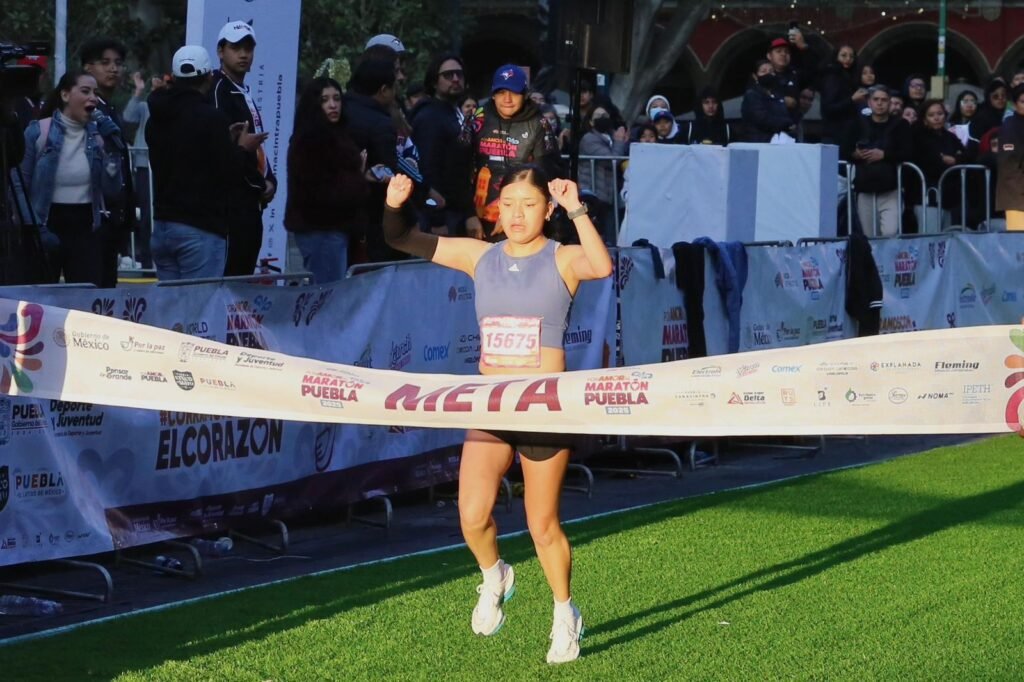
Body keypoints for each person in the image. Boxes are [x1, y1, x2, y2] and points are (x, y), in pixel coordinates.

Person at [383, 164, 612, 664]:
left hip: (542, 410)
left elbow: (601, 266)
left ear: (546, 210)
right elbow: (401, 238)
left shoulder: (562, 257)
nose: (516, 214)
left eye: (528, 205)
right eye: (507, 204)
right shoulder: (480, 256)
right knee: (471, 515)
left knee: (542, 525)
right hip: (491, 405)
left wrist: (576, 209)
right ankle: (495, 575)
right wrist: (395, 203)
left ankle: (564, 612)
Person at [147, 46, 248, 281]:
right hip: (200, 228)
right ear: (209, 77)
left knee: (171, 302)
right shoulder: (211, 118)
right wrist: (242, 148)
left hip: (162, 226)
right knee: (200, 301)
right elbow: (228, 171)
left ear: (174, 78)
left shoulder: (157, 118)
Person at [18, 71, 123, 286]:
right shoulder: (38, 132)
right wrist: (33, 227)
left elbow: (112, 191)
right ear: (65, 95)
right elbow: (20, 184)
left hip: (86, 225)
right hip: (46, 223)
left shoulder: (98, 138)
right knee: (41, 296)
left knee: (86, 294)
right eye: (85, 91)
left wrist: (113, 151)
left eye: (95, 93)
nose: (93, 98)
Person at [284, 77, 369, 282]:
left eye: (337, 98)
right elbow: (320, 191)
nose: (333, 105)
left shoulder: (338, 134)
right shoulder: (310, 140)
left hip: (334, 228)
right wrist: (358, 176)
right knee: (328, 293)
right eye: (325, 99)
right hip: (321, 228)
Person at [210, 21, 276, 276]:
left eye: (248, 48)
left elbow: (255, 145)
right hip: (232, 209)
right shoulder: (219, 89)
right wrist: (259, 185)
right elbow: (226, 150)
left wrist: (270, 180)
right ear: (220, 51)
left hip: (251, 204)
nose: (243, 54)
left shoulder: (241, 90)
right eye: (236, 48)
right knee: (231, 280)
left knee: (243, 279)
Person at [471, 64, 561, 240]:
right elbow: (458, 168)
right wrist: (468, 215)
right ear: (493, 94)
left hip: (521, 220)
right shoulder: (478, 117)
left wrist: (510, 216)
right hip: (477, 218)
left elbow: (546, 173)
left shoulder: (539, 123)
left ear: (525, 94)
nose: (507, 99)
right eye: (501, 92)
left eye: (514, 93)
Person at [81, 37, 132, 285]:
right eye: (105, 62)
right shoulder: (86, 110)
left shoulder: (110, 109)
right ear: (87, 68)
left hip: (113, 217)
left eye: (118, 63)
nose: (113, 69)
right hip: (92, 218)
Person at [410, 53, 478, 238]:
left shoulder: (452, 112)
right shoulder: (430, 117)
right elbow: (426, 169)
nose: (455, 79)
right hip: (440, 216)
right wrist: (436, 220)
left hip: (456, 211)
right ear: (434, 82)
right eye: (448, 75)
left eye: (459, 74)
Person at [345, 58, 404, 262]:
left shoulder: (339, 110)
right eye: (395, 84)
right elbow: (389, 176)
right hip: (371, 218)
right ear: (384, 90)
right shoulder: (380, 124)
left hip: (331, 214)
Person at [843, 85, 911, 237]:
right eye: (876, 99)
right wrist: (856, 154)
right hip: (865, 187)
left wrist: (884, 155)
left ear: (889, 102)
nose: (880, 103)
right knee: (869, 236)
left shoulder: (901, 124)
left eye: (884, 100)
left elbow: (908, 152)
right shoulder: (857, 124)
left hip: (890, 188)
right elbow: (845, 150)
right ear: (869, 102)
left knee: (890, 232)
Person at [911, 99, 968, 230]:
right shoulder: (918, 137)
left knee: (946, 236)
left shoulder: (950, 137)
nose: (936, 118)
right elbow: (931, 162)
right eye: (931, 115)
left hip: (948, 197)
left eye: (940, 114)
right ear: (924, 119)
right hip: (927, 196)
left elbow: (967, 155)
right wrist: (947, 159)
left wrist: (955, 160)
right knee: (930, 235)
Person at [578, 106, 628, 243]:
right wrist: (619, 141)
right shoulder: (589, 139)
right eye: (598, 116)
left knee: (610, 237)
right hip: (594, 195)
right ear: (591, 122)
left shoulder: (611, 136)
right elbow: (611, 160)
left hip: (609, 196)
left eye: (605, 115)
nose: (602, 119)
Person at [819, 44, 868, 144]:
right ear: (836, 57)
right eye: (844, 55)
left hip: (849, 133)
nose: (848, 59)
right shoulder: (832, 77)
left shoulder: (851, 77)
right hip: (834, 134)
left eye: (851, 56)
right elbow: (828, 108)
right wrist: (852, 100)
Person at [741, 59, 796, 143]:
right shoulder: (752, 95)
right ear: (755, 76)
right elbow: (761, 119)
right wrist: (786, 123)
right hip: (758, 143)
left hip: (778, 142)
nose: (768, 74)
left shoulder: (777, 94)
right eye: (763, 71)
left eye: (771, 71)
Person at [996, 83, 1024, 230]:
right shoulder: (1010, 125)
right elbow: (1009, 166)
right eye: (1023, 101)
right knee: (1019, 241)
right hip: (1017, 197)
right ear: (1014, 104)